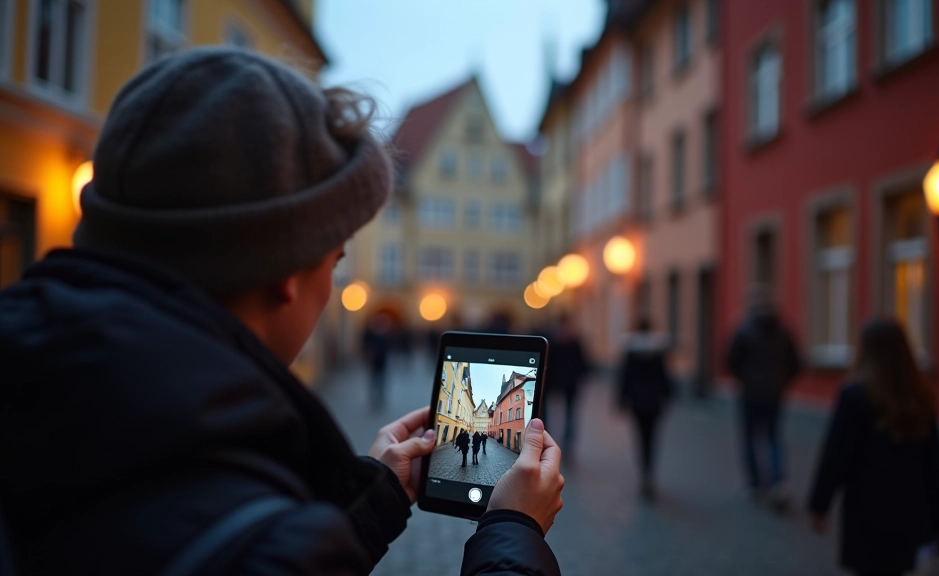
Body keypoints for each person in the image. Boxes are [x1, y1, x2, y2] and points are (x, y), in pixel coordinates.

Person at [0, 48, 564, 575]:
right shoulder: (247, 520)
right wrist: (513, 531)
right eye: (335, 258)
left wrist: (374, 500)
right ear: (288, 276)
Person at [808, 319, 939, 576]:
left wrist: (819, 505)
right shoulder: (920, 395)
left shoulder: (855, 396)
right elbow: (935, 466)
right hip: (912, 512)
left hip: (868, 515)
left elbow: (836, 457)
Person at [725, 286, 802, 507]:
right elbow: (796, 362)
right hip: (775, 393)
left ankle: (755, 484)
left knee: (750, 437)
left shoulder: (743, 330)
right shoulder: (784, 331)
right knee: (774, 436)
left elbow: (730, 360)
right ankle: (778, 482)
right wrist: (782, 382)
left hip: (750, 393)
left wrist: (745, 379)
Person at [618, 318, 673, 500]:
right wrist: (668, 395)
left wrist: (621, 400)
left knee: (640, 437)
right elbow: (665, 376)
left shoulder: (630, 350)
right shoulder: (659, 350)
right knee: (653, 436)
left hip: (637, 400)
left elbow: (625, 377)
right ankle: (650, 471)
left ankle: (644, 473)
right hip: (655, 400)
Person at [546, 313, 590, 460]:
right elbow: (583, 363)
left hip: (556, 381)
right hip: (570, 381)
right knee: (569, 414)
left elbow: (549, 363)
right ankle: (565, 444)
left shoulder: (553, 340)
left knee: (556, 414)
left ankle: (551, 443)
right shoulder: (574, 340)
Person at [361, 311, 392, 411]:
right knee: (373, 380)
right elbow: (365, 346)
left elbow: (388, 347)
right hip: (373, 361)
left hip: (382, 361)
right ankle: (373, 399)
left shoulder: (385, 334)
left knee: (381, 380)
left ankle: (380, 398)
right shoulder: (370, 333)